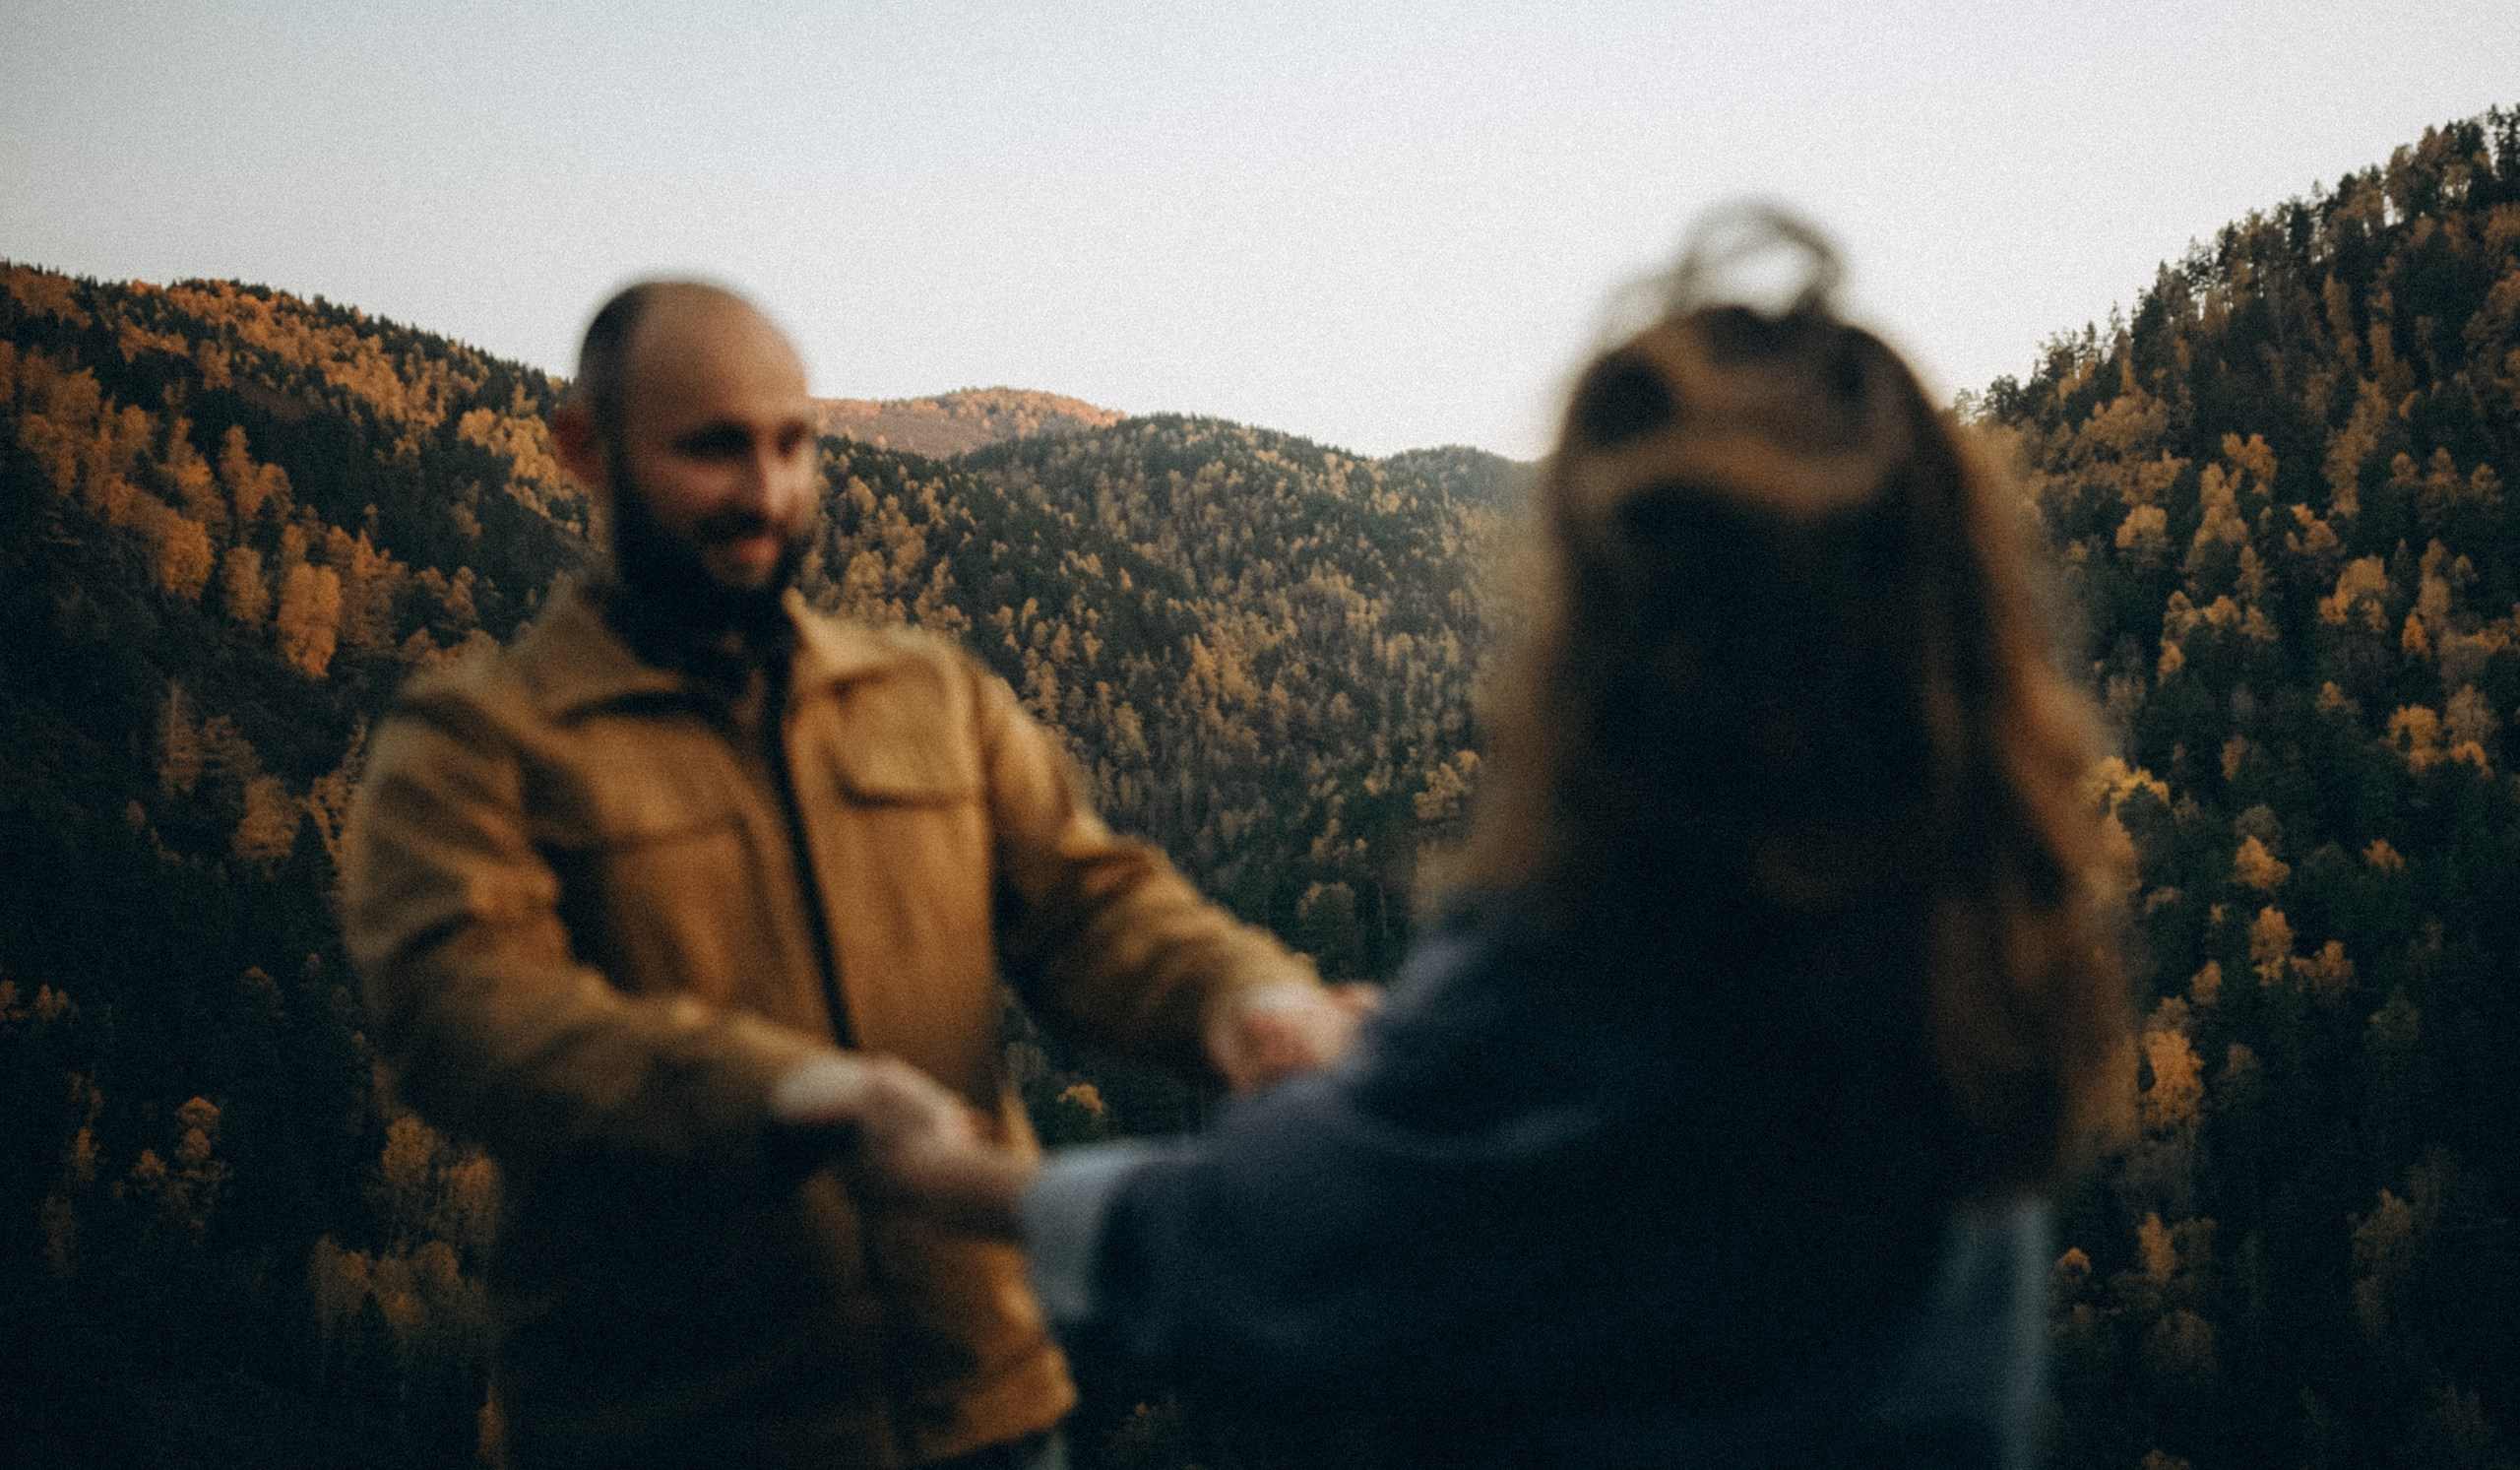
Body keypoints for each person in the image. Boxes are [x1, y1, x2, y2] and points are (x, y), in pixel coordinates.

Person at [817, 213, 2138, 1469]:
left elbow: (1281, 1244)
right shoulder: (1978, 950)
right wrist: (1398, 1079)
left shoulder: (1593, 953)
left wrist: (958, 1178)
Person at [340, 280, 1363, 1470]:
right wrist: (795, 1094)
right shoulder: (478, 744)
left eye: (791, 443)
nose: (765, 492)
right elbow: (467, 1018)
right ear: (584, 450)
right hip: (671, 1434)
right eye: (715, 448)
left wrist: (1245, 1001)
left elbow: (1096, 905)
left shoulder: (930, 696)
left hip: (992, 1409)